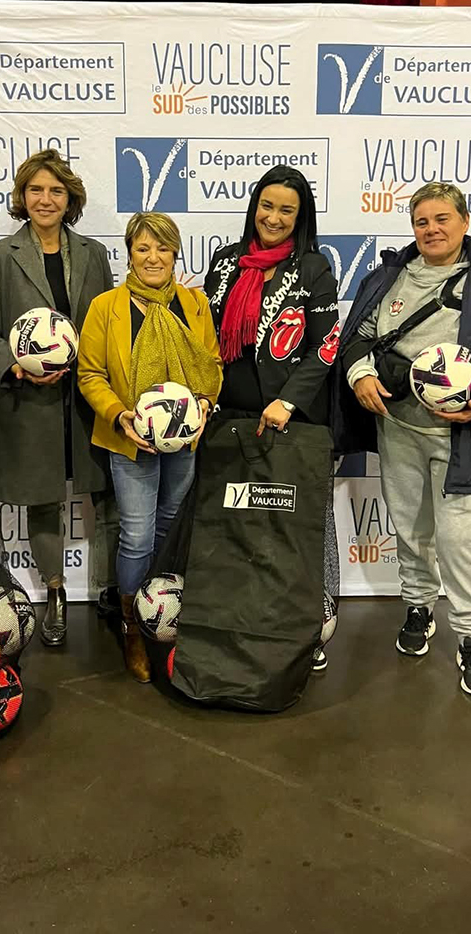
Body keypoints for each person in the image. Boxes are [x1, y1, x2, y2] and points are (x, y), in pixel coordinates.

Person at [335, 181, 471, 697]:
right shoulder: (388, 276)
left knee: (461, 543)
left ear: (465, 222)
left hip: (465, 437)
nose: (431, 229)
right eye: (422, 220)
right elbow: (356, 336)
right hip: (399, 429)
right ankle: (419, 607)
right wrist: (361, 373)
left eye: (442, 219)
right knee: (410, 528)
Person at [0, 149, 113, 647]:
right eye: (36, 190)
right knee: (44, 501)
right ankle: (53, 592)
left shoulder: (94, 255)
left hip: (88, 398)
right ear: (22, 198)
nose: (45, 199)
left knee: (108, 494)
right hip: (28, 403)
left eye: (56, 191)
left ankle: (112, 591)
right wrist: (14, 367)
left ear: (69, 198)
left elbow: (109, 328)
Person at [204, 164, 341, 671]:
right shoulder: (225, 262)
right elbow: (206, 336)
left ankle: (318, 619)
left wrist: (287, 401)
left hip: (294, 418)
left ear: (300, 216)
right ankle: (250, 614)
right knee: (241, 521)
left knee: (304, 523)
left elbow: (326, 346)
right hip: (231, 419)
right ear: (253, 207)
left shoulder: (314, 268)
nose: (274, 217)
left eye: (287, 209)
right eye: (267, 205)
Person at [78, 212, 222, 683]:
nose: (153, 257)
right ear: (129, 253)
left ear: (176, 253)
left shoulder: (195, 305)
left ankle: (160, 610)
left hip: (186, 440)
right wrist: (121, 416)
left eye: (163, 248)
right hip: (130, 439)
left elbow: (212, 364)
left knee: (168, 528)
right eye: (143, 248)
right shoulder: (107, 307)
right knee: (136, 535)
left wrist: (202, 402)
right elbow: (90, 375)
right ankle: (133, 627)